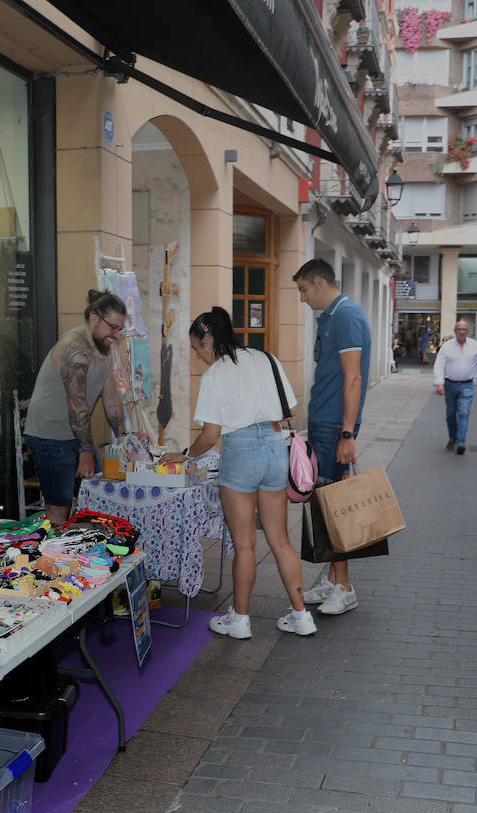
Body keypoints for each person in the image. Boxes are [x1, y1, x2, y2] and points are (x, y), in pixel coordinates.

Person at [159, 308, 314, 638]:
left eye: (198, 348)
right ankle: (301, 616)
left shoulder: (216, 374)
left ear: (209, 339)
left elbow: (211, 435)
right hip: (274, 447)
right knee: (280, 540)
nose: (199, 356)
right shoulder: (266, 358)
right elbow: (293, 409)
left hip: (240, 451)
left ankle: (240, 620)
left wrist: (186, 455)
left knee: (244, 545)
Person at [293, 258, 371, 616]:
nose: (303, 298)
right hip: (324, 424)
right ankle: (332, 579)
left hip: (333, 427)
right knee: (323, 505)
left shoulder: (345, 316)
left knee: (333, 507)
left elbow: (353, 378)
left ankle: (345, 586)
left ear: (320, 282)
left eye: (304, 290)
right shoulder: (332, 317)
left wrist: (347, 433)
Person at [23, 290, 125, 526]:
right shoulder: (75, 348)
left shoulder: (103, 349)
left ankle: (83, 555)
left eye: (120, 329)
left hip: (76, 434)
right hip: (50, 434)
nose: (116, 334)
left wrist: (126, 441)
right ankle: (55, 558)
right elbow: (77, 403)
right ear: (94, 319)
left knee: (97, 497)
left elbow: (111, 400)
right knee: (60, 506)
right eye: (113, 327)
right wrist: (86, 450)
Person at [432, 320, 477, 454]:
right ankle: (453, 437)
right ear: (455, 331)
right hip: (450, 384)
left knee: (463, 412)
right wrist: (439, 383)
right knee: (451, 413)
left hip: (467, 385)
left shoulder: (474, 345)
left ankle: (461, 441)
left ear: (468, 331)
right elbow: (439, 365)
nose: (461, 332)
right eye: (459, 329)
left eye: (464, 329)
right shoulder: (447, 346)